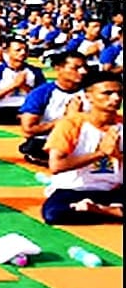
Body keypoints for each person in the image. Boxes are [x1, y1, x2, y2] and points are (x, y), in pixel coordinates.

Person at [41, 71, 122, 224]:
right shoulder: (71, 124)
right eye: (107, 93)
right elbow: (56, 166)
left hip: (114, 190)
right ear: (88, 96)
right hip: (75, 190)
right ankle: (112, 212)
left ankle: (99, 210)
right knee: (54, 214)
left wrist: (118, 155)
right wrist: (100, 153)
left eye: (119, 93)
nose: (116, 98)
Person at [17, 51, 88, 166]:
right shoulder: (41, 93)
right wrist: (66, 120)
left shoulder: (92, 92)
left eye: (85, 67)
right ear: (58, 68)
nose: (83, 72)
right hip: (51, 140)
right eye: (76, 68)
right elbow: (28, 130)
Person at [0, 38, 45, 125]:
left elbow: (42, 97)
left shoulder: (35, 71)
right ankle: (23, 119)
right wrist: (13, 86)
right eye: (18, 50)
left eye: (25, 50)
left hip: (25, 107)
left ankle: (24, 118)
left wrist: (24, 86)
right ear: (8, 52)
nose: (23, 53)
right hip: (1, 107)